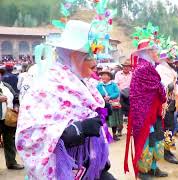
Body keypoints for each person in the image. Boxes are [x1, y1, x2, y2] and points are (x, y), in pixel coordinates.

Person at [16, 20, 115, 180]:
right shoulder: (48, 85)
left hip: (90, 166)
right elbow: (27, 136)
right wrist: (74, 130)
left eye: (94, 55)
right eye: (89, 56)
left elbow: (86, 111)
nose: (95, 62)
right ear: (75, 56)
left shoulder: (83, 82)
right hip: (66, 170)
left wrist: (101, 112)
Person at [124, 37, 168, 178]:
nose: (157, 54)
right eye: (154, 51)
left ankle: (153, 167)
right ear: (148, 52)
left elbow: (157, 88)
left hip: (152, 112)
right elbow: (159, 89)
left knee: (155, 140)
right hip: (144, 113)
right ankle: (144, 171)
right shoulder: (143, 69)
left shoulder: (147, 67)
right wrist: (164, 93)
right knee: (146, 141)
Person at [156, 50, 178, 165]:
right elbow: (164, 86)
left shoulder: (170, 69)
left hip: (171, 102)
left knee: (169, 128)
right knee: (166, 128)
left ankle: (167, 150)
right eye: (171, 58)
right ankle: (165, 152)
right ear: (166, 58)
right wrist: (172, 84)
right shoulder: (161, 69)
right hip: (164, 103)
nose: (174, 60)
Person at [0, 68, 24, 170]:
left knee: (9, 141)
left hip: (7, 119)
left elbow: (16, 97)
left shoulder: (6, 86)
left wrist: (16, 106)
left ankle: (11, 163)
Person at [97, 70, 122, 141]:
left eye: (105, 75)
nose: (103, 76)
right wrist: (102, 97)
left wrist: (110, 97)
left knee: (113, 120)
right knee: (104, 120)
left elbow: (117, 93)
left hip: (112, 104)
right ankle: (106, 136)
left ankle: (114, 134)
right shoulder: (99, 85)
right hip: (103, 105)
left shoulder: (113, 84)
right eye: (102, 75)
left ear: (109, 77)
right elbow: (96, 93)